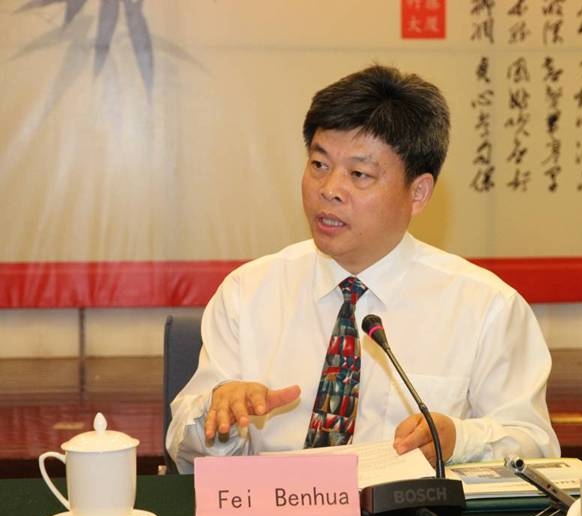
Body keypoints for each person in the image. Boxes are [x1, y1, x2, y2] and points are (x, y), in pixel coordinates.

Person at [166, 64, 560, 474]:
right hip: (274, 505)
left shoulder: (486, 307)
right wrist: (220, 418)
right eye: (319, 165)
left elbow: (537, 445)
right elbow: (183, 452)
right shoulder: (248, 292)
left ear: (418, 192)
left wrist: (459, 441)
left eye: (359, 174)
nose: (329, 190)